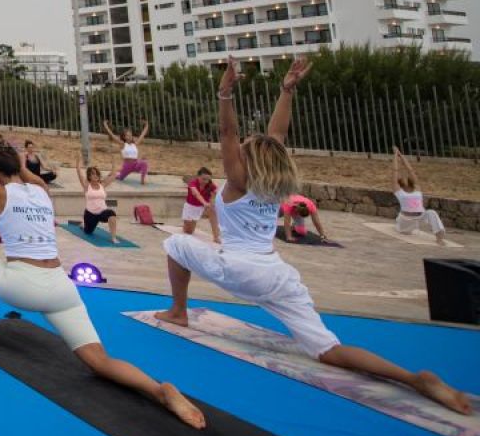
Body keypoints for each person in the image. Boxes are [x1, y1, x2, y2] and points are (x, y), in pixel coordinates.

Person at [155, 56, 471, 415]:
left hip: (240, 269)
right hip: (279, 275)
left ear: (247, 157)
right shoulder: (271, 183)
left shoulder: (239, 182)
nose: (240, 144)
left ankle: (179, 310)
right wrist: (287, 90)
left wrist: (225, 94)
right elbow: (278, 135)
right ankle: (413, 378)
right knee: (328, 350)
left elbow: (228, 133)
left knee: (176, 244)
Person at [0, 109, 204, 428]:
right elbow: (10, 160)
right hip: (61, 287)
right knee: (100, 361)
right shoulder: (40, 188)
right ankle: (158, 389)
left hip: (21, 285)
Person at [391, 146, 450, 245]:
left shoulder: (417, 188)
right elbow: (395, 171)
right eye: (402, 178)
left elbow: (410, 170)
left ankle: (439, 238)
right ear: (400, 182)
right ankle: (397, 226)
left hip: (419, 217)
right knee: (404, 232)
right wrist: (395, 156)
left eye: (406, 177)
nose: (405, 177)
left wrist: (401, 156)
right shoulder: (398, 190)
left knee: (431, 213)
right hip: (405, 220)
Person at [74, 164, 122, 244]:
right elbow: (79, 174)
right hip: (90, 214)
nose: (95, 175)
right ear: (89, 176)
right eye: (93, 174)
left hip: (102, 213)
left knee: (112, 214)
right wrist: (78, 163)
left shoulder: (102, 185)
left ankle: (113, 238)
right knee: (88, 232)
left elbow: (113, 175)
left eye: (96, 173)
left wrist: (114, 162)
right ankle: (83, 225)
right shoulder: (86, 186)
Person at [103, 119, 152, 184]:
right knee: (120, 178)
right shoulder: (123, 144)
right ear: (124, 137)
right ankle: (114, 174)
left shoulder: (135, 144)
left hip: (136, 164)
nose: (130, 136)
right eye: (128, 135)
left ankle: (143, 180)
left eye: (131, 135)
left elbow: (142, 135)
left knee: (144, 163)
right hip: (127, 165)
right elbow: (112, 135)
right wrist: (106, 125)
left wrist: (146, 125)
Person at [182, 168, 222, 243]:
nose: (206, 182)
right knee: (189, 231)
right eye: (204, 179)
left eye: (208, 179)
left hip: (203, 208)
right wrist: (204, 203)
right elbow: (196, 194)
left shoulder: (210, 184)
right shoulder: (193, 183)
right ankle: (185, 225)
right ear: (198, 177)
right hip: (191, 207)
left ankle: (216, 237)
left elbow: (219, 193)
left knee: (213, 210)